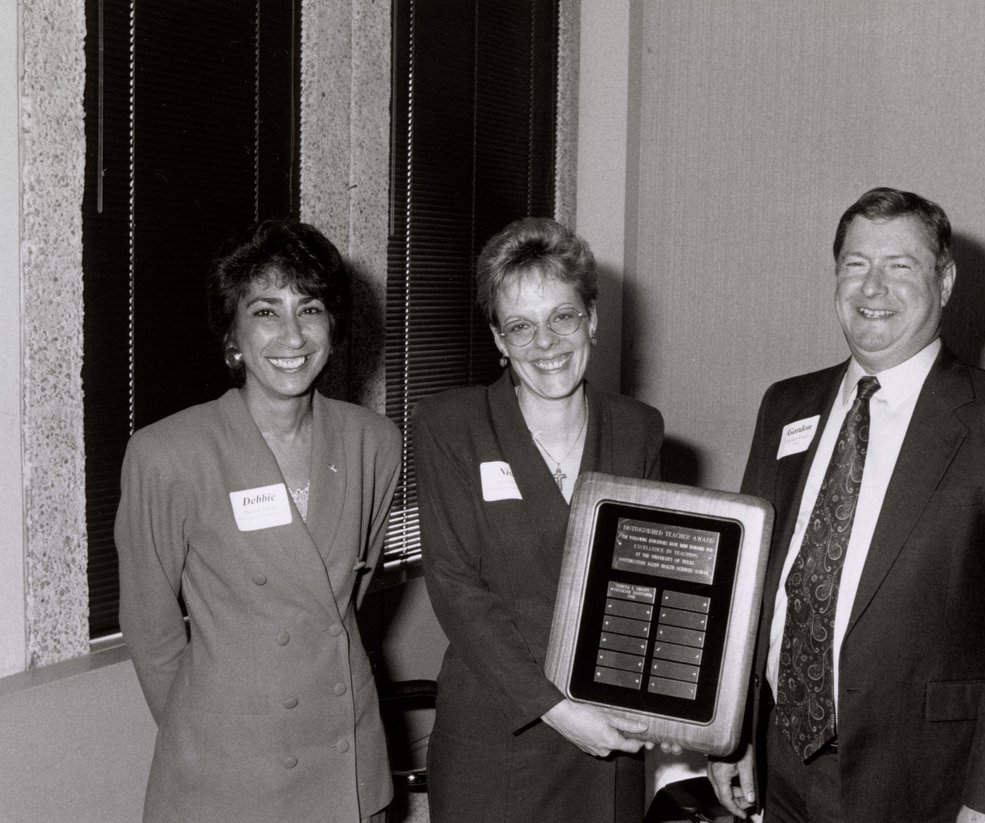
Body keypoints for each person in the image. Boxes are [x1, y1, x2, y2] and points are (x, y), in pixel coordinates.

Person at [708, 188, 985, 823]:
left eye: (899, 266)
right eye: (855, 264)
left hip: (923, 779)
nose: (872, 287)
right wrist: (728, 730)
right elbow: (750, 591)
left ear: (946, 280)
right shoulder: (785, 406)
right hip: (781, 763)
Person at [116, 219, 402, 823]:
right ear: (234, 336)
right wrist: (206, 736)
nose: (292, 336)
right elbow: (150, 627)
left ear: (333, 326)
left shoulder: (374, 442)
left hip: (343, 753)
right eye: (266, 312)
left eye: (311, 309)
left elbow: (350, 589)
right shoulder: (168, 453)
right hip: (226, 771)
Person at [415, 216, 666, 821]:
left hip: (609, 734)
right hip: (499, 734)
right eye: (521, 327)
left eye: (563, 317)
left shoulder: (639, 430)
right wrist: (558, 710)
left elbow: (649, 585)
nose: (546, 343)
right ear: (498, 340)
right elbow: (455, 589)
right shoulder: (450, 427)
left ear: (593, 321)